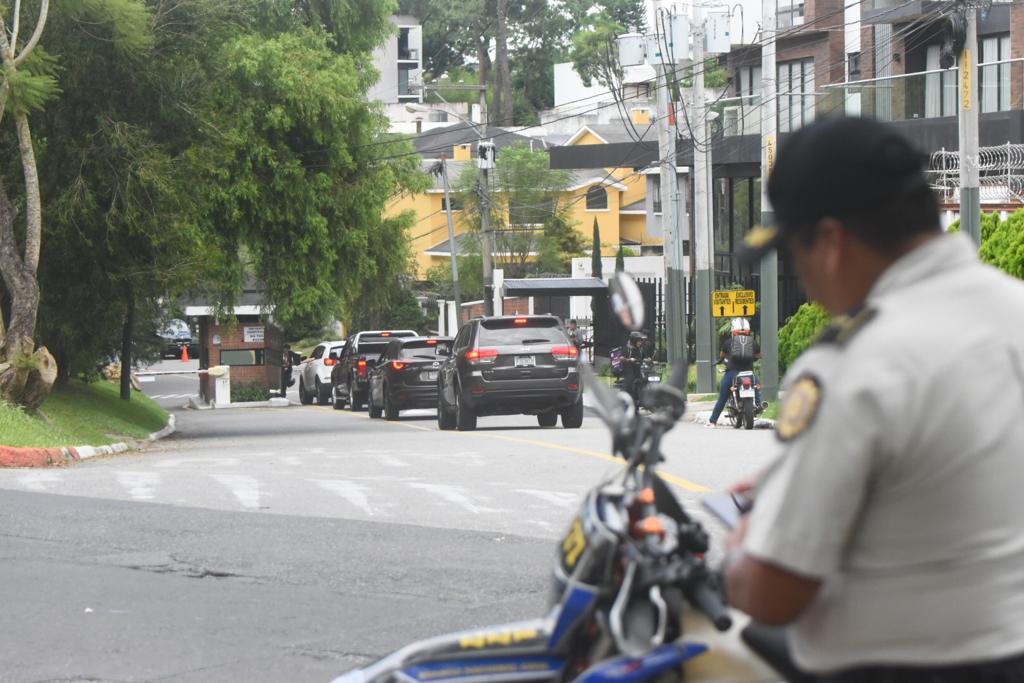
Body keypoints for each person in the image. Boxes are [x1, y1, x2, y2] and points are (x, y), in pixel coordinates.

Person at [723, 117, 1024, 682]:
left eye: (795, 255)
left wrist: (739, 546)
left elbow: (772, 593)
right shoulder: (1013, 309)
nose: (805, 281)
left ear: (831, 242)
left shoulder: (856, 363)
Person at [706, 317, 762, 428]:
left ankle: (713, 421)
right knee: (756, 388)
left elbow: (722, 355)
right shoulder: (753, 342)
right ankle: (759, 404)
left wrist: (726, 357)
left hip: (732, 373)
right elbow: (759, 355)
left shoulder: (728, 342)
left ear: (733, 330)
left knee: (722, 397)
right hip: (749, 373)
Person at [621, 330, 648, 406]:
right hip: (629, 371)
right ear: (633, 341)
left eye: (640, 341)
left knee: (643, 382)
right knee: (630, 388)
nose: (640, 343)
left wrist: (648, 359)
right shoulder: (627, 349)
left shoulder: (640, 349)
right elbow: (621, 359)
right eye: (638, 341)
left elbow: (643, 358)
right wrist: (629, 360)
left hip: (638, 371)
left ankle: (642, 401)